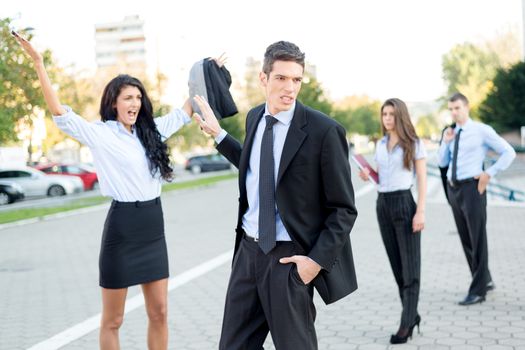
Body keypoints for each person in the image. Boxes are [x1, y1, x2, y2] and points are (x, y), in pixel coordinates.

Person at [14, 32, 193, 350]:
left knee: (160, 312)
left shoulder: (151, 131)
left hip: (153, 226)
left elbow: (187, 109)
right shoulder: (100, 134)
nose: (135, 104)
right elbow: (59, 112)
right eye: (128, 98)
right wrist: (39, 64)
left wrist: (206, 71)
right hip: (122, 229)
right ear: (114, 102)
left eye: (138, 98)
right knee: (114, 320)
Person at [193, 41, 358, 350]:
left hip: (288, 260)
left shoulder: (324, 131)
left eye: (296, 79)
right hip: (248, 254)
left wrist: (314, 262)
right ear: (263, 78)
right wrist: (219, 135)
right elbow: (255, 166)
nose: (290, 88)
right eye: (281, 78)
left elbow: (344, 209)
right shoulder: (255, 117)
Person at [358, 98, 427, 344]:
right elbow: (380, 176)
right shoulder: (381, 144)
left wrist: (420, 212)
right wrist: (367, 175)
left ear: (401, 116)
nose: (387, 118)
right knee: (397, 266)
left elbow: (421, 180)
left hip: (404, 204)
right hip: (383, 204)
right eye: (384, 114)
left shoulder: (413, 144)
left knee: (410, 268)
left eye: (391, 114)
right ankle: (412, 314)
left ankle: (406, 324)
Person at [438, 92, 516, 306]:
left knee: (477, 238)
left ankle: (478, 291)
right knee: (466, 239)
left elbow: (508, 152)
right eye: (451, 109)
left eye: (457, 108)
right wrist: (445, 142)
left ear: (467, 107)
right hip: (454, 189)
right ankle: (485, 279)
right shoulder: (450, 133)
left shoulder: (481, 131)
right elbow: (442, 160)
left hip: (473, 188)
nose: (454, 112)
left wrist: (488, 173)